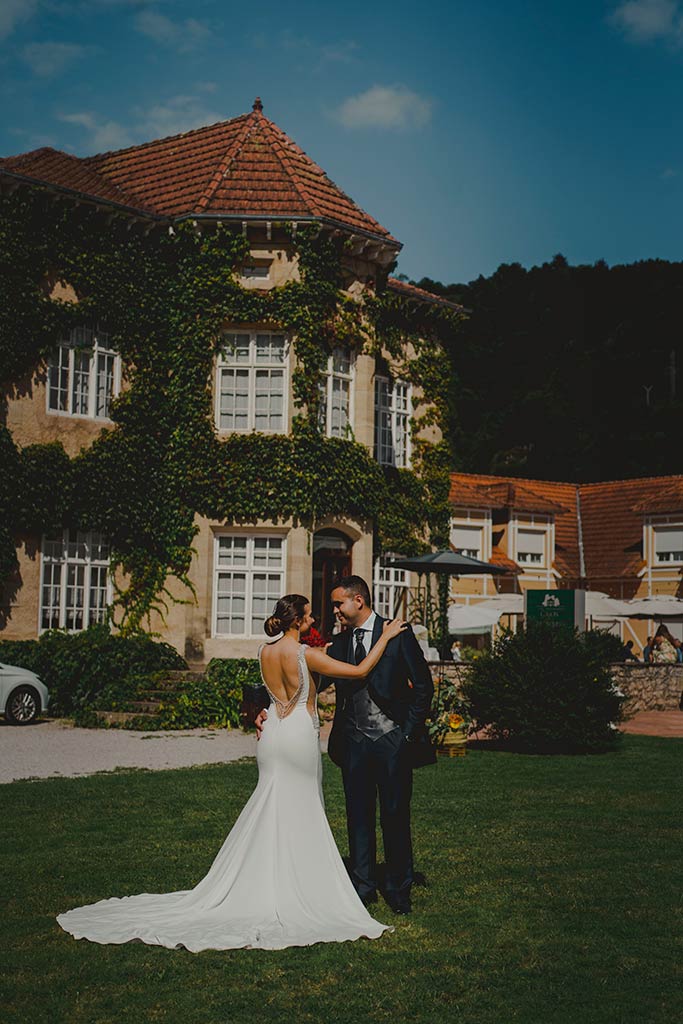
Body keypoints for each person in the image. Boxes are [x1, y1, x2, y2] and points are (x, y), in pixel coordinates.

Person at [56, 594, 406, 951]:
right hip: (298, 733)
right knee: (302, 807)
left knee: (272, 802)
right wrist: (386, 636)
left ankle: (267, 879)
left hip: (271, 736)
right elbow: (360, 671)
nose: (314, 621)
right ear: (297, 621)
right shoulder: (305, 655)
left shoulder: (264, 652)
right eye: (309, 617)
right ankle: (299, 884)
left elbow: (268, 692)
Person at [259, 576, 434, 916]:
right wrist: (264, 712)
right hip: (353, 743)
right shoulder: (337, 645)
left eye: (339, 604)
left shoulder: (397, 633)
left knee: (395, 816)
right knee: (358, 818)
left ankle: (399, 889)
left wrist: (407, 733)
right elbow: (299, 685)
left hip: (391, 740)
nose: (335, 610)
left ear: (358, 600)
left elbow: (423, 687)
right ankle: (363, 886)